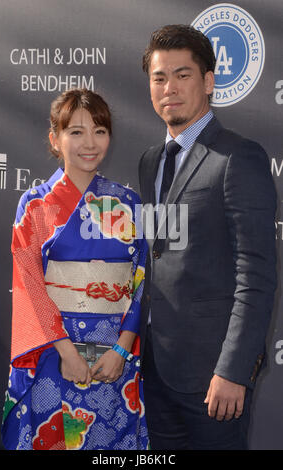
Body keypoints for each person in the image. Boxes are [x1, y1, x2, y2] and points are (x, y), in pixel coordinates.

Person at [138, 24, 277, 450]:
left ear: (209, 82)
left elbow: (255, 275)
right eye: (160, 78)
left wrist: (233, 371)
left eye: (183, 75)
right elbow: (159, 259)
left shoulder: (239, 157)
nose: (170, 88)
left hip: (214, 380)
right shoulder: (149, 162)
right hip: (157, 372)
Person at [2, 88, 149, 450]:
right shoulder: (35, 204)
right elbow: (30, 284)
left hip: (114, 355)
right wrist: (66, 352)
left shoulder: (128, 203)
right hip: (54, 351)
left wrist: (123, 348)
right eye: (76, 132)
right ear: (55, 139)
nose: (90, 143)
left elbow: (140, 278)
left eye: (100, 131)